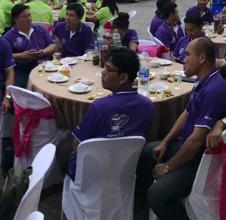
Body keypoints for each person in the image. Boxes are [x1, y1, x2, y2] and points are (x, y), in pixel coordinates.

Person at [137, 38, 226, 220]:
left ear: (201, 58)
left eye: (187, 55)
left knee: (157, 195)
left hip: (200, 161)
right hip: (187, 148)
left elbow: (195, 142)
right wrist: (166, 142)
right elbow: (186, 114)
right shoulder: (203, 81)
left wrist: (168, 167)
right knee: (147, 152)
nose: (183, 58)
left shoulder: (213, 91)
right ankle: (140, 208)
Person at [54, 47, 154, 180]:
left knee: (62, 146)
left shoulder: (99, 107)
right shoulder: (148, 105)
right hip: (127, 169)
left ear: (123, 77)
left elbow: (77, 145)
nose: (102, 72)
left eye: (108, 69)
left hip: (91, 172)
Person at [0, 6, 47, 88]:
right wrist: (21, 56)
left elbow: (53, 45)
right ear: (16, 19)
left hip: (43, 66)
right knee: (22, 90)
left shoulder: (40, 29)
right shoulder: (8, 37)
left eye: (29, 15)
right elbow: (3, 56)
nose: (29, 19)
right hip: (21, 70)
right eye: (25, 17)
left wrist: (42, 52)